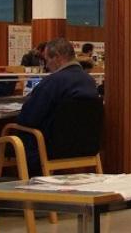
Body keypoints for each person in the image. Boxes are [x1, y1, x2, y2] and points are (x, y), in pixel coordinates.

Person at [17, 37, 100, 174]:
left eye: (47, 60)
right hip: (85, 146)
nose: (47, 65)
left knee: (2, 143)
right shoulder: (89, 81)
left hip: (49, 148)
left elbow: (27, 119)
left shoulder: (52, 82)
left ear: (56, 57)